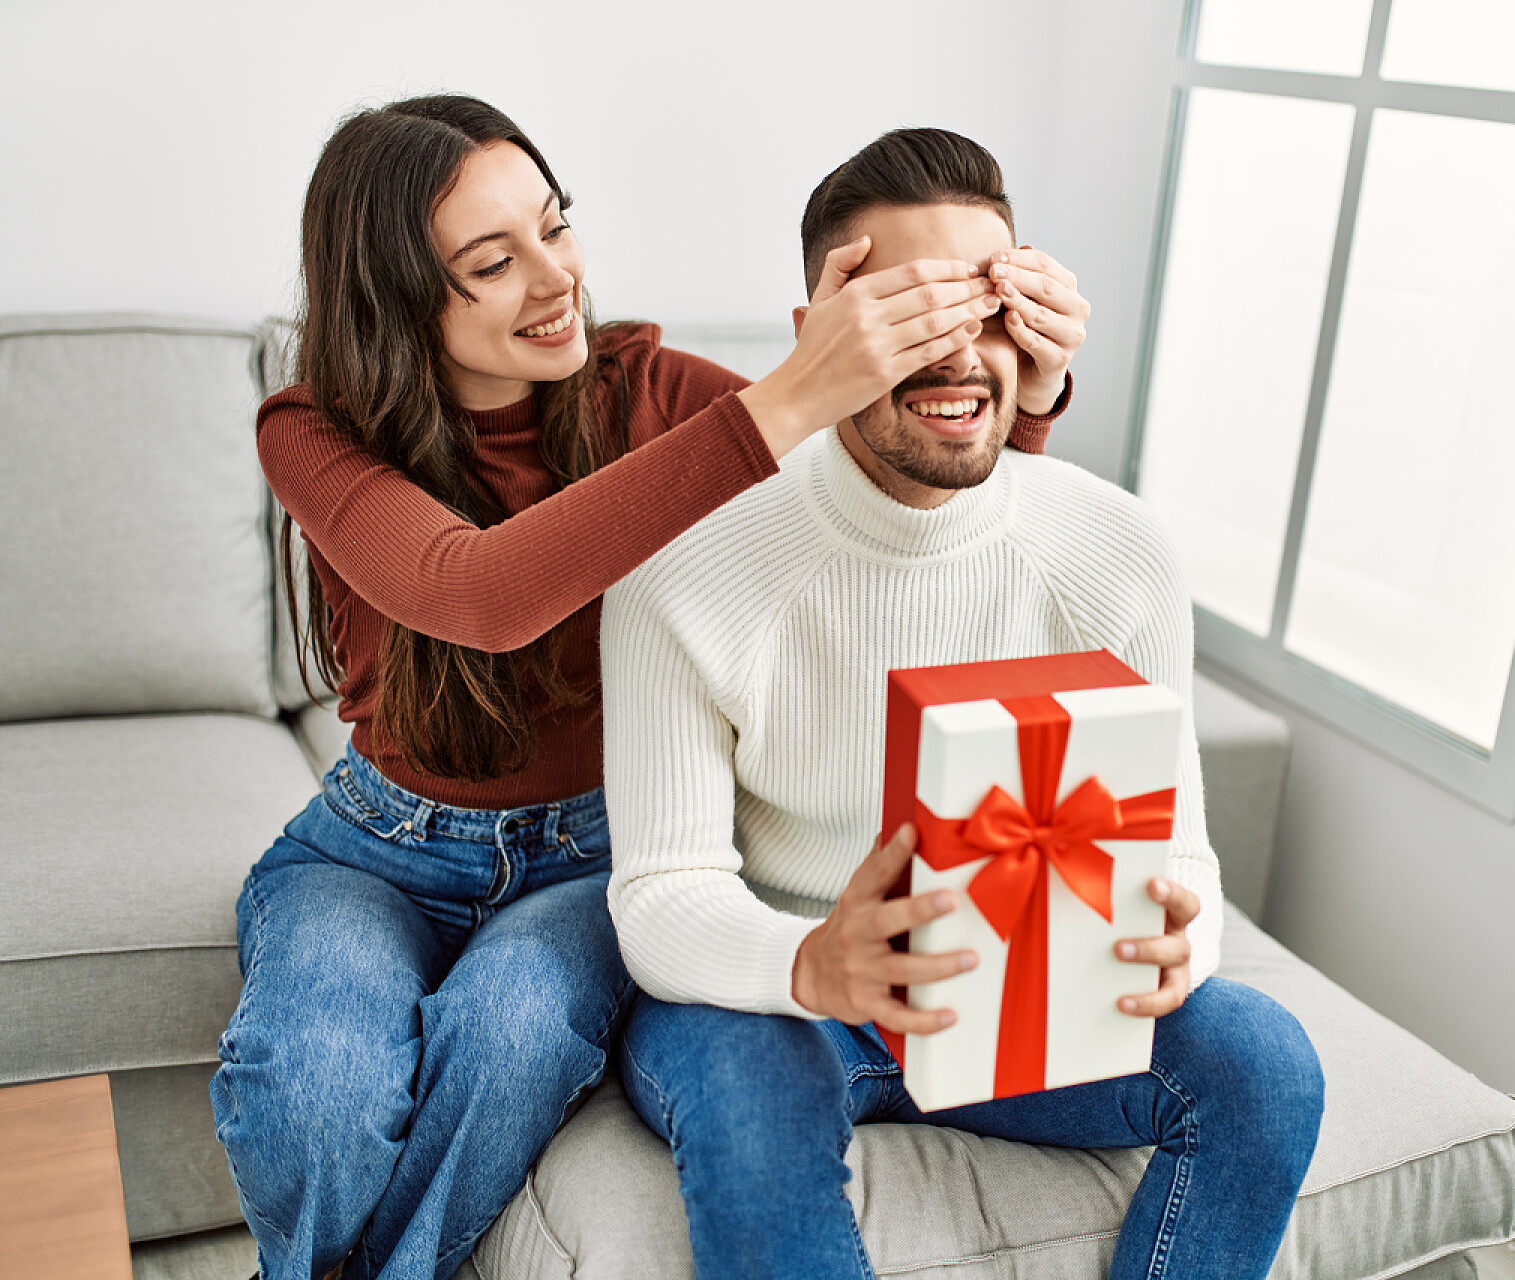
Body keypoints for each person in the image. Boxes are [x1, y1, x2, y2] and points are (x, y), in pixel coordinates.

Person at [210, 97, 1090, 1280]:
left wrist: (1022, 394)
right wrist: (789, 394)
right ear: (401, 299)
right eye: (493, 261)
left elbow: (903, 514)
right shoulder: (309, 427)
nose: (554, 277)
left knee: (512, 1032)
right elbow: (478, 593)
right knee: (306, 1087)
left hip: (593, 855)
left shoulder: (646, 389)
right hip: (378, 848)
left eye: (555, 227)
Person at [600, 127, 1324, 1280]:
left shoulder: (1118, 552)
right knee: (752, 1111)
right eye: (910, 316)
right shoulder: (688, 564)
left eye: (988, 308)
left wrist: (1177, 937)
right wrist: (814, 962)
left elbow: (1181, 854)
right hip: (780, 987)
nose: (960, 357)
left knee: (1268, 1062)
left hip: (1024, 986)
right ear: (820, 340)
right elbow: (660, 894)